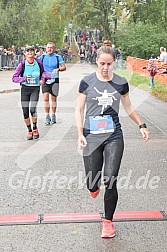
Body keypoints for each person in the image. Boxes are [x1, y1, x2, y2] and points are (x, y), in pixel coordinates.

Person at [76, 46, 149, 239]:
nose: (105, 67)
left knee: (110, 178)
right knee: (92, 183)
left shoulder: (121, 83)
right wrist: (80, 134)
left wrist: (141, 124)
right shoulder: (86, 82)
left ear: (114, 62)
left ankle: (108, 221)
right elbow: (78, 109)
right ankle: (94, 187)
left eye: (109, 64)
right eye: (102, 63)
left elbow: (128, 106)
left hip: (113, 136)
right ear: (97, 62)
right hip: (91, 136)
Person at [12, 46, 45, 140]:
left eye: (31, 51)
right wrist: (24, 79)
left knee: (33, 109)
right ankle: (29, 130)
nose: (30, 52)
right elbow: (14, 78)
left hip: (35, 88)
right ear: (25, 53)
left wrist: (42, 80)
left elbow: (44, 73)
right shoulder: (22, 64)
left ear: (34, 53)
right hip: (25, 89)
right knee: (25, 111)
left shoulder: (38, 63)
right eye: (28, 51)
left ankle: (35, 128)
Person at [39, 42, 66, 125]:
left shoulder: (58, 57)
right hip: (45, 80)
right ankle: (47, 116)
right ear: (46, 49)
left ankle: (53, 114)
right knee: (46, 98)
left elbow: (64, 67)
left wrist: (58, 69)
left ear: (54, 49)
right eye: (48, 47)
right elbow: (36, 64)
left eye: (51, 48)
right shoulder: (42, 57)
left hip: (55, 79)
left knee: (53, 99)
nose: (49, 49)